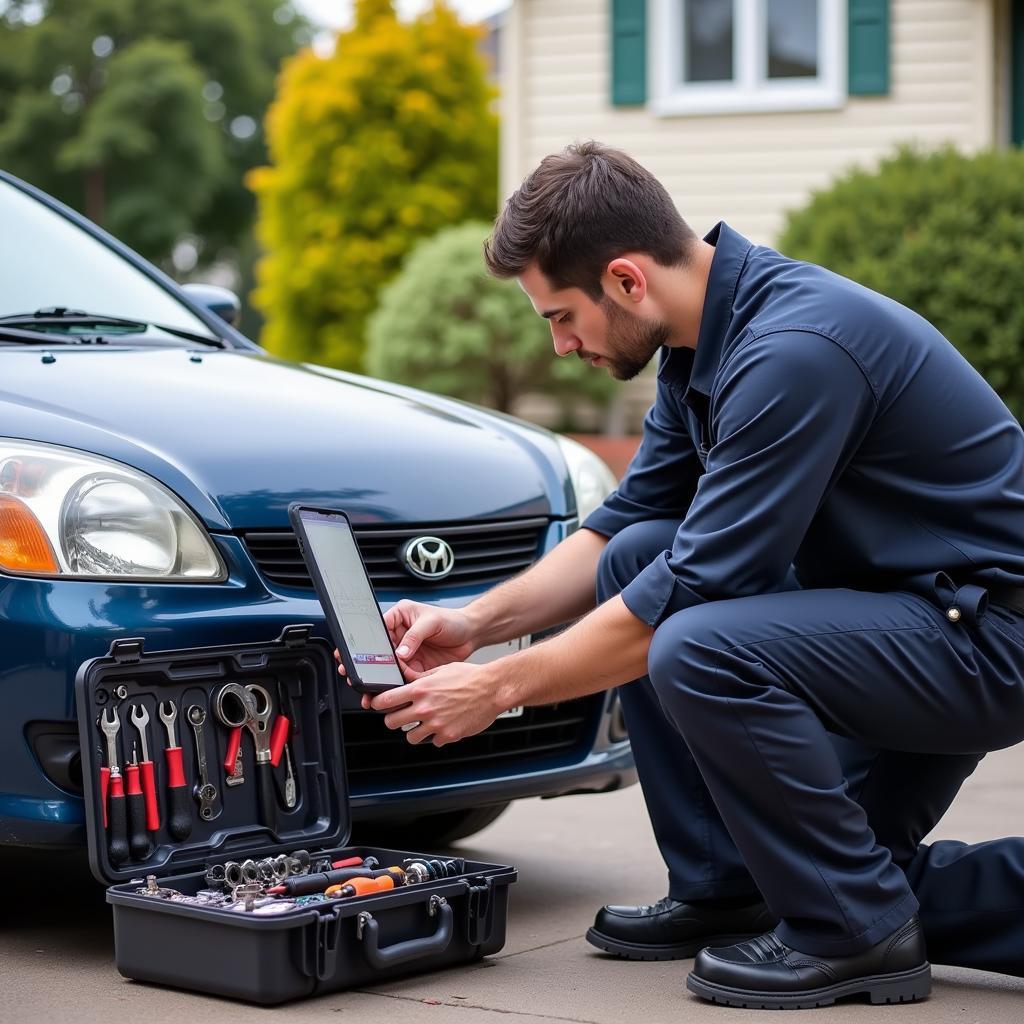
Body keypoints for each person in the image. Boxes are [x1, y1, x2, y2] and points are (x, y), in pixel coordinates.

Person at [339, 142, 1024, 1009]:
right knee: (639, 559)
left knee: (697, 645)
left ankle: (853, 933)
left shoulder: (795, 352)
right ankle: (734, 888)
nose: (558, 347)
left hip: (988, 639)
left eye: (559, 316)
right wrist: (478, 623)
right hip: (899, 621)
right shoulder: (700, 347)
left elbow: (687, 603)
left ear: (626, 280)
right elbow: (618, 532)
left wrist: (498, 689)